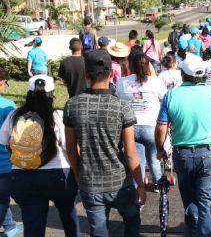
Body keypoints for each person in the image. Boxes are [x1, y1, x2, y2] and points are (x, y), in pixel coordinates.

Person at [64, 50, 146, 236]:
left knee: (98, 231)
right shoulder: (122, 107)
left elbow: (70, 149)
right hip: (121, 183)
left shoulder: (72, 105)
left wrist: (79, 178)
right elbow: (131, 152)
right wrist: (140, 185)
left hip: (90, 183)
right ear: (111, 74)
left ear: (86, 74)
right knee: (132, 222)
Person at [155, 56, 211, 237]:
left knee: (188, 196)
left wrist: (160, 149)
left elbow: (161, 127)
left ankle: (195, 227)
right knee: (207, 200)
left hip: (183, 154)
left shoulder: (172, 94)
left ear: (183, 75)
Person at [0, 75, 80, 236]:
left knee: (33, 227)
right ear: (53, 94)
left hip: (23, 177)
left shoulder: (14, 116)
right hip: (59, 176)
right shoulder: (59, 116)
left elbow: (5, 142)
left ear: (28, 94)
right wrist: (78, 177)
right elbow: (70, 150)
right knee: (69, 217)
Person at [116, 54, 167, 193]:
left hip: (130, 128)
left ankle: (137, 189)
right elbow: (165, 100)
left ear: (131, 66)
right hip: (152, 126)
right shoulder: (156, 82)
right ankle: (158, 185)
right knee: (154, 159)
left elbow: (118, 99)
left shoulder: (122, 82)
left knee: (136, 161)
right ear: (148, 65)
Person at [0, 68, 23, 237]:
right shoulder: (8, 105)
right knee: (2, 198)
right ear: (1, 83)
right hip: (4, 162)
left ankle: (9, 225)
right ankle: (8, 226)